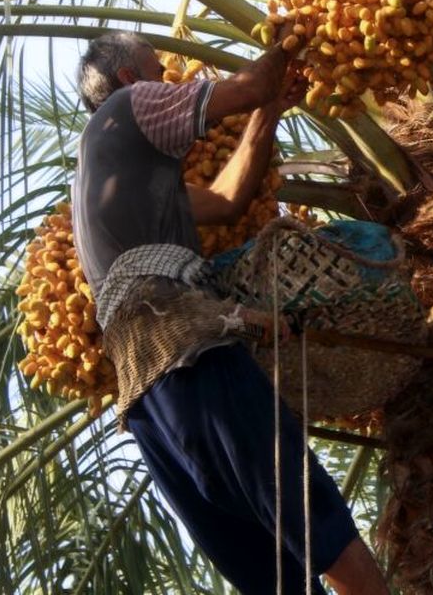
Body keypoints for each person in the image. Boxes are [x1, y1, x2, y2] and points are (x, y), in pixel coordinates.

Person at [71, 31, 389, 595]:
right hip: (188, 354)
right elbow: (251, 82)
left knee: (270, 574)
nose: (167, 75)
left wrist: (268, 113)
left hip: (147, 401)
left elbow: (226, 201)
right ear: (128, 79)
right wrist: (297, 32)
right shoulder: (128, 106)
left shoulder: (119, 180)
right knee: (313, 518)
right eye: (158, 67)